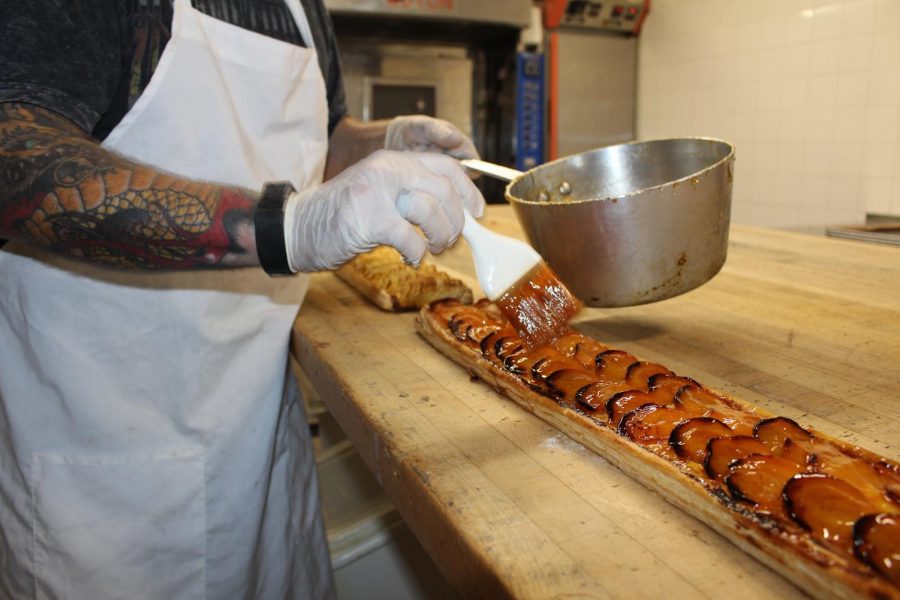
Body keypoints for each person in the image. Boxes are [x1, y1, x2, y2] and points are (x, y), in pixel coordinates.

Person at [0, 0, 485, 597]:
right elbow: (13, 154)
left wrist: (375, 142)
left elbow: (317, 142)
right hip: (111, 477)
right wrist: (283, 227)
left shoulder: (303, 8)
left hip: (263, 447)